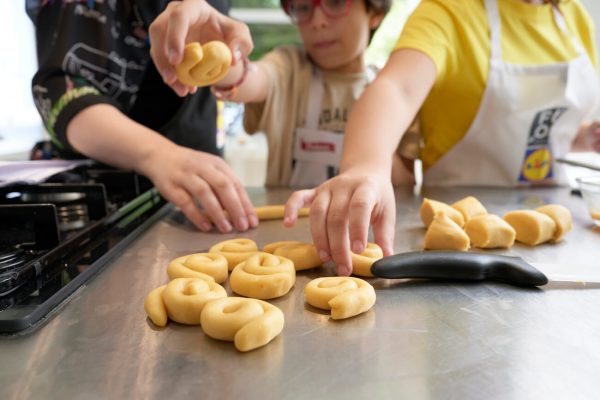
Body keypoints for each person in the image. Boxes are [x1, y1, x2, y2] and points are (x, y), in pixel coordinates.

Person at [284, 0, 600, 275]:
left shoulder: (575, 18)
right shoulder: (447, 11)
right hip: (459, 241)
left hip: (557, 233)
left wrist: (585, 137)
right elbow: (397, 89)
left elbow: (540, 126)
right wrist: (366, 166)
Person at [26, 0, 257, 234]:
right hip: (102, 212)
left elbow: (237, 79)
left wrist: (229, 58)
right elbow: (61, 92)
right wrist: (161, 155)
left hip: (199, 195)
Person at [149, 0, 417, 189]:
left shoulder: (399, 93)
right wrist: (215, 52)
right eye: (303, 8)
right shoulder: (290, 68)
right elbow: (248, 77)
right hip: (286, 240)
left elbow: (406, 185)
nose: (318, 22)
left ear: (375, 12)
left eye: (335, 3)